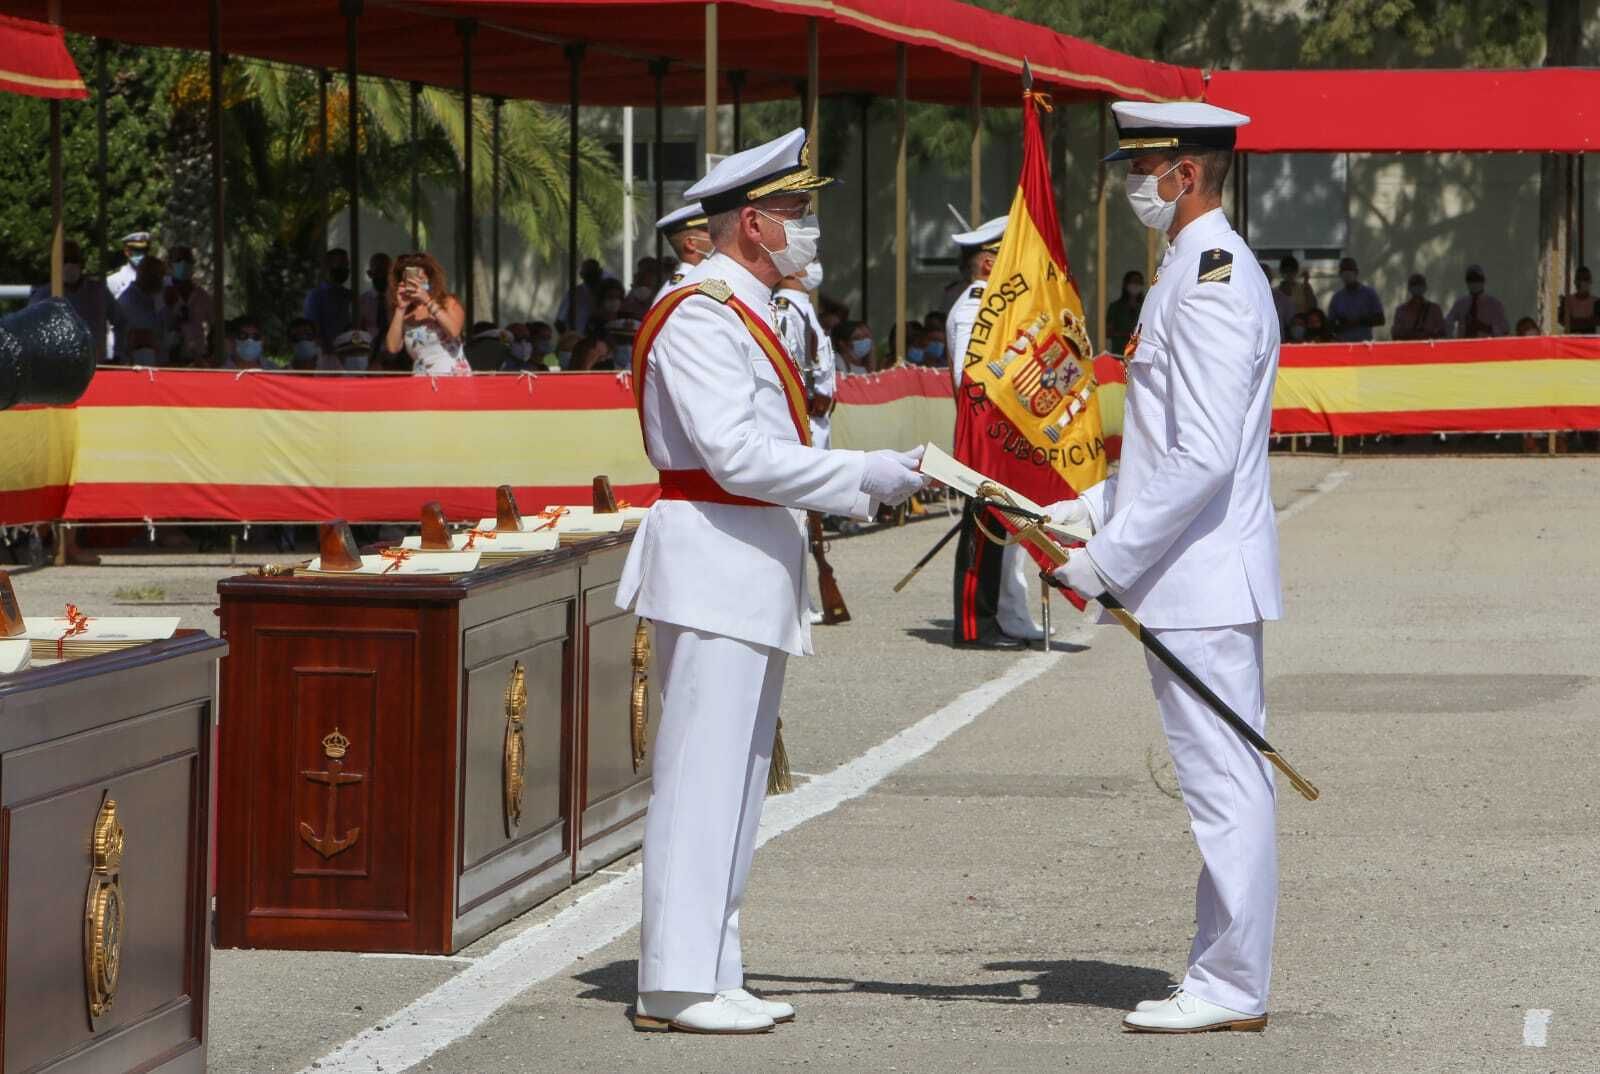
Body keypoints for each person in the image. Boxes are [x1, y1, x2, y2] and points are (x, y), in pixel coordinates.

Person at [619, 127, 925, 1036]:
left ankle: (713, 964)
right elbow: (735, 453)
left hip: (746, 559)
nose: (810, 228)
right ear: (752, 223)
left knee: (739, 781)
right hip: (715, 555)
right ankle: (674, 983)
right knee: (701, 776)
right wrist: (860, 475)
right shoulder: (703, 312)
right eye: (796, 213)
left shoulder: (741, 307)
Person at [1048, 100, 1282, 1035]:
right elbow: (1161, 451)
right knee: (1219, 784)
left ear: (1186, 175)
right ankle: (1224, 974)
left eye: (1141, 169)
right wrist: (1085, 511)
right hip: (1185, 571)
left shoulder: (1215, 278)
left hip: (1202, 577)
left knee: (1225, 785)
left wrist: (1102, 562)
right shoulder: (1184, 269)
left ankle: (1230, 984)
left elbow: (1206, 456)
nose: (1131, 186)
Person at [944, 215, 1046, 646]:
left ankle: (1007, 616)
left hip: (1006, 435)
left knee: (1008, 534)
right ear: (988, 264)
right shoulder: (974, 305)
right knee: (984, 533)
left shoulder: (995, 306)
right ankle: (975, 625)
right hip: (985, 434)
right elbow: (973, 375)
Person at [28, 239, 124, 364]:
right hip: (58, 369)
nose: (70, 265)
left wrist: (118, 355)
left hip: (96, 366)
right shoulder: (43, 295)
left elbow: (122, 322)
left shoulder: (98, 292)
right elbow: (29, 329)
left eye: (74, 260)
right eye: (65, 260)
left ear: (81, 263)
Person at [385, 252, 470, 376]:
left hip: (453, 377)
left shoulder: (448, 302)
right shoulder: (405, 313)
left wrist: (427, 300)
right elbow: (392, 348)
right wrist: (400, 308)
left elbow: (454, 331)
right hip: (421, 379)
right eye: (409, 279)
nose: (415, 283)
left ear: (429, 279)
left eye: (419, 278)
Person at [161, 244, 215, 365]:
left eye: (187, 260)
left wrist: (210, 352)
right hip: (167, 359)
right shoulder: (161, 292)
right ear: (169, 264)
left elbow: (214, 324)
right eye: (179, 260)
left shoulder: (201, 295)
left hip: (197, 359)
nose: (183, 264)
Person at [653, 203, 712, 303]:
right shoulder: (684, 289)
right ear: (691, 244)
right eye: (710, 232)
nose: (717, 237)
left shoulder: (697, 281)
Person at [114, 255, 167, 362]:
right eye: (159, 275)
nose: (162, 280)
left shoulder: (153, 298)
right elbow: (138, 337)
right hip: (135, 366)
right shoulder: (129, 301)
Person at [304, 247, 354, 350]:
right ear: (328, 266)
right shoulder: (316, 296)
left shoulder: (349, 295)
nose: (345, 269)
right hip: (326, 354)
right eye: (341, 264)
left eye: (346, 265)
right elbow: (313, 330)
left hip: (349, 352)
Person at [1326, 256, 1384, 342]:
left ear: (1356, 272)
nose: (1347, 274)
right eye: (1344, 271)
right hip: (1344, 345)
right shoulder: (1337, 298)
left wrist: (1359, 321)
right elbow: (1330, 326)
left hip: (1364, 344)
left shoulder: (1369, 294)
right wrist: (1343, 325)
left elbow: (1380, 320)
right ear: (1340, 274)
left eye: (1350, 270)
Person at [1445, 264, 1508, 338]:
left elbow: (1505, 329)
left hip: (1486, 345)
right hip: (1464, 345)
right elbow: (1448, 322)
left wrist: (1484, 327)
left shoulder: (1494, 304)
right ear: (1466, 281)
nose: (1474, 282)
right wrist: (1452, 336)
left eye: (1477, 279)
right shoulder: (1460, 303)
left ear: (1483, 280)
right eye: (1470, 279)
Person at [1390, 273, 1447, 340]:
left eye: (1419, 285)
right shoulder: (1401, 310)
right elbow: (1396, 334)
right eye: (1415, 285)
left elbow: (1442, 332)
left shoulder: (1434, 309)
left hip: (1429, 348)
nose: (1417, 289)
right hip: (1409, 348)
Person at [557, 258, 605, 333]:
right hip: (578, 339)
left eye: (594, 271)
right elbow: (559, 321)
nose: (592, 275)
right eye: (589, 272)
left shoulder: (604, 293)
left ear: (600, 273)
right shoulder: (575, 293)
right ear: (582, 275)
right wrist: (569, 338)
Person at [1106, 269, 1146, 355]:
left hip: (1139, 355)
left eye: (1139, 282)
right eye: (1133, 281)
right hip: (1119, 355)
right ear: (1126, 284)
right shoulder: (1115, 307)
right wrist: (1125, 335)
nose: (1136, 285)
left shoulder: (1145, 307)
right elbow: (1108, 332)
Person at [106, 230, 151, 299]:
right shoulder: (112, 281)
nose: (142, 254)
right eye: (137, 250)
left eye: (145, 250)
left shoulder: (156, 279)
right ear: (127, 252)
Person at [1558, 266, 1597, 333]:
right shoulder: (1567, 300)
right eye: (1579, 279)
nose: (1582, 282)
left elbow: (1597, 321)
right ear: (1575, 281)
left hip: (1589, 341)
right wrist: (1587, 321)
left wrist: (1574, 322)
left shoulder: (1596, 302)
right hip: (1571, 340)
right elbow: (1562, 320)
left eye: (1585, 279)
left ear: (1590, 281)